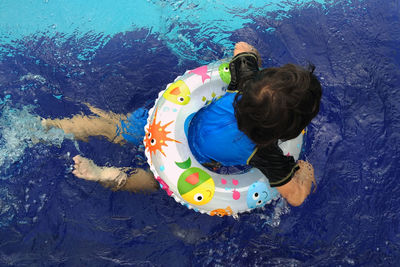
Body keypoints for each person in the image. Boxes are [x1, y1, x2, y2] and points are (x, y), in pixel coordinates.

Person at [43, 42, 321, 206]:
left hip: (165, 126)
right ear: (288, 132)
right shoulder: (265, 154)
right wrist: (304, 173)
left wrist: (254, 62)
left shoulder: (246, 82)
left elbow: (243, 47)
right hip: (192, 161)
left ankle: (51, 125)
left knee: (118, 128)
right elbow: (295, 196)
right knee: (156, 181)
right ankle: (106, 175)